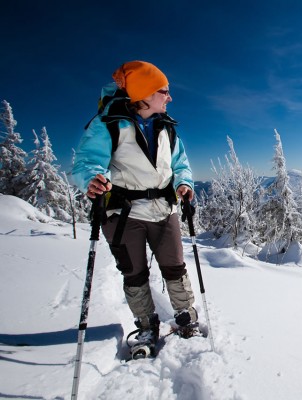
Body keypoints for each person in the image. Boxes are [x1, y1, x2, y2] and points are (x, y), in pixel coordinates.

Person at [72, 60, 198, 353]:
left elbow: (181, 164)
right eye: (163, 91)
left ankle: (184, 315)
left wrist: (185, 184)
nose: (169, 97)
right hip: (123, 213)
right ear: (144, 93)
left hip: (164, 210)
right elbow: (87, 161)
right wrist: (92, 179)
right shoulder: (110, 124)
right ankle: (145, 324)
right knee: (135, 272)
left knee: (174, 266)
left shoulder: (167, 127)